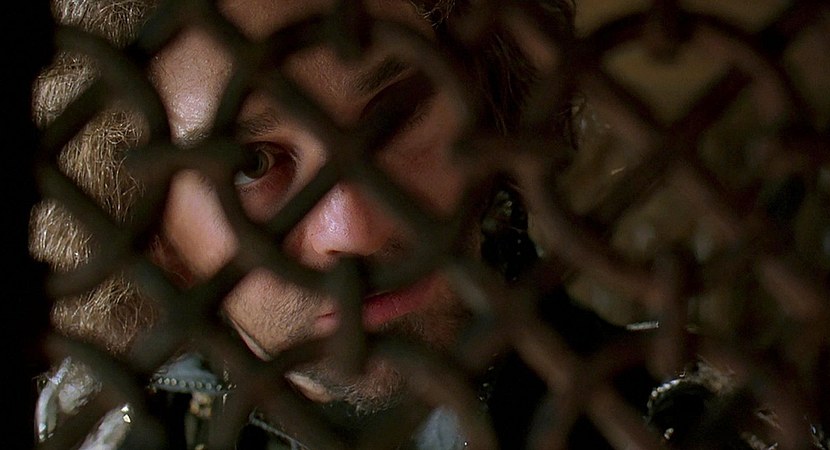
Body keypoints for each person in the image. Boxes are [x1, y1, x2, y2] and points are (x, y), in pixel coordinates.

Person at [30, 0, 663, 448]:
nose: (355, 229)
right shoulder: (89, 428)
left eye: (395, 115)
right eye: (253, 165)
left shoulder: (668, 416)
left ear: (488, 107)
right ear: (145, 223)